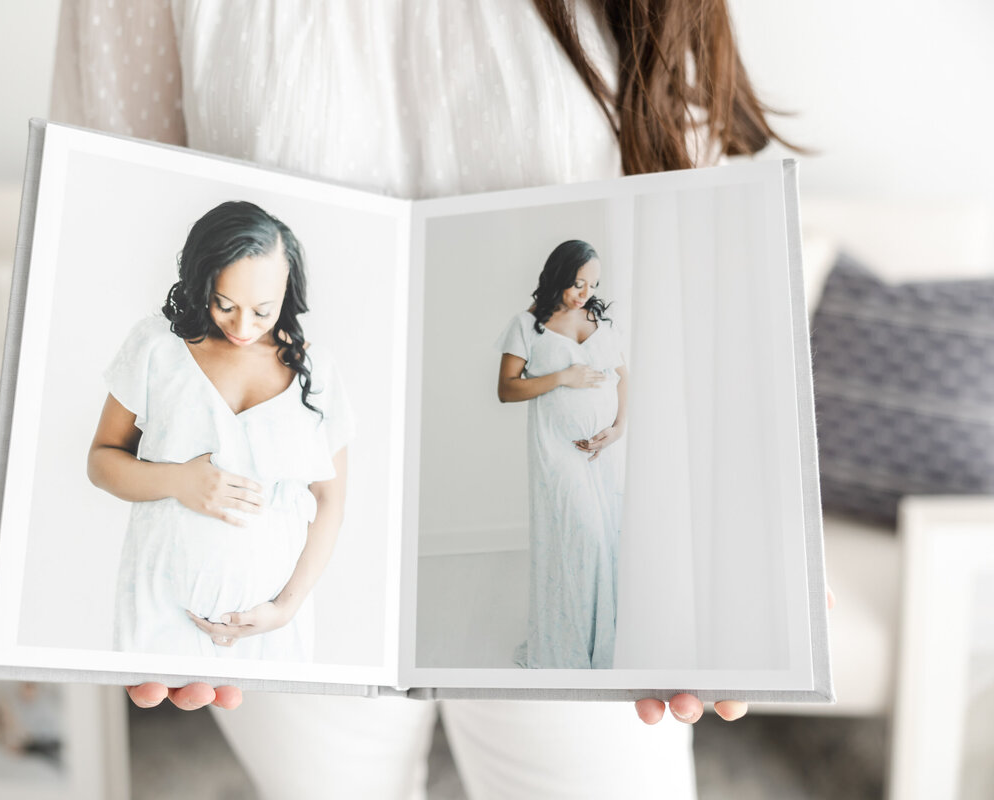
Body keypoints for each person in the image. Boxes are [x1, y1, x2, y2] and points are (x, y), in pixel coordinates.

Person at [52, 1, 804, 796]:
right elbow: (108, 189)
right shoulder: (211, 358)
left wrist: (760, 533)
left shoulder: (318, 377)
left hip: (585, 482)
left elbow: (696, 248)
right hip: (268, 590)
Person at [88, 201, 353, 661]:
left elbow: (330, 501)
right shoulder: (157, 346)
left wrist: (284, 609)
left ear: (287, 288)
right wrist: (178, 481)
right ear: (201, 282)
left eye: (262, 310)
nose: (243, 327)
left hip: (269, 632)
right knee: (158, 703)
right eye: (224, 305)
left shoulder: (317, 370)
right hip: (159, 617)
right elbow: (101, 461)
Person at [497, 240, 627, 669]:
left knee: (608, 543)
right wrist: (562, 377)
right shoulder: (527, 325)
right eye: (576, 283)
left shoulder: (597, 319)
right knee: (578, 541)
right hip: (558, 452)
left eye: (592, 285)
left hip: (604, 453)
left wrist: (616, 428)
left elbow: (623, 378)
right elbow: (507, 389)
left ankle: (601, 643)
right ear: (557, 274)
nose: (584, 293)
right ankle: (565, 645)